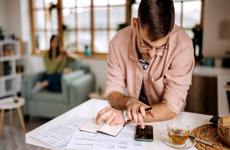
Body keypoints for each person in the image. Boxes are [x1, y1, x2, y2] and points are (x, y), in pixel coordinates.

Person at [96, 0, 194, 129]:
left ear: (170, 31)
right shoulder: (117, 43)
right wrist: (129, 102)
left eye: (160, 47)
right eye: (146, 44)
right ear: (135, 24)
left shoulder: (182, 46)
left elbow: (171, 107)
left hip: (167, 124)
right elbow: (113, 92)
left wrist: (126, 116)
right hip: (132, 123)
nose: (152, 53)